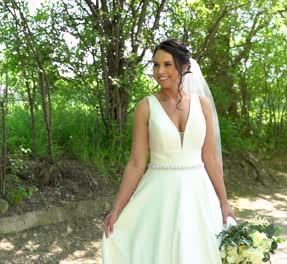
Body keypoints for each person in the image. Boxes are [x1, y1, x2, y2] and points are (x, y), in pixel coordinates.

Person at [101, 39, 236, 264]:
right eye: (155, 65)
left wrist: (224, 202)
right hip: (159, 195)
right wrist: (117, 209)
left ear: (183, 68)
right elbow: (136, 162)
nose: (159, 71)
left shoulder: (202, 105)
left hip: (198, 195)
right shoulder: (145, 107)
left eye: (167, 65)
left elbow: (210, 157)